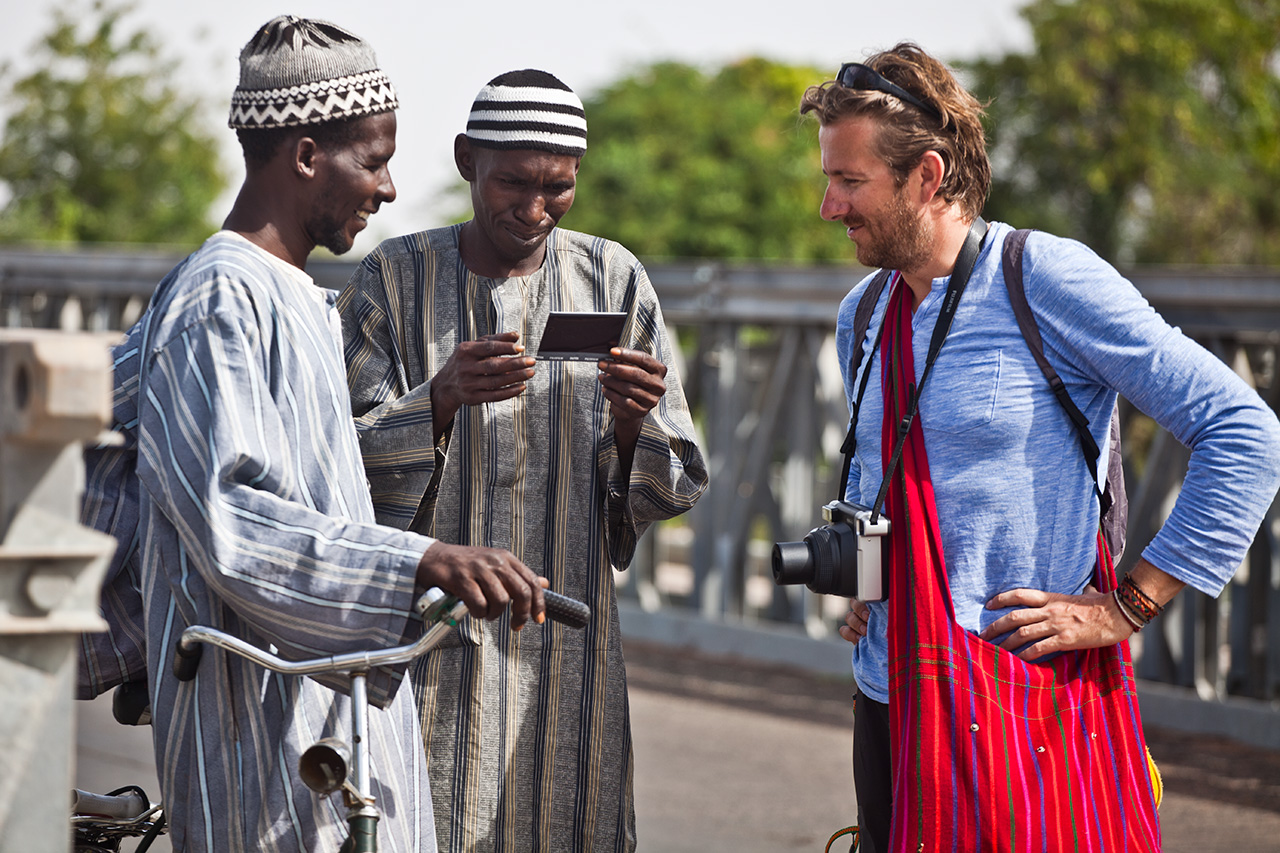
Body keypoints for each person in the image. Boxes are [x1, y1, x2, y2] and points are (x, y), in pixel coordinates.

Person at [800, 43, 1280, 852]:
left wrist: (1127, 605)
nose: (828, 205)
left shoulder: (1044, 279)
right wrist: (870, 577)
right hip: (890, 694)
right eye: (829, 179)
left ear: (926, 175)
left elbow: (1245, 431)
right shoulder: (866, 313)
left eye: (849, 181)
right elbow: (901, 482)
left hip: (1022, 696)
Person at [83, 18, 547, 852]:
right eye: (372, 161)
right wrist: (419, 560)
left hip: (323, 715)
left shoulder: (295, 294)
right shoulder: (219, 299)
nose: (391, 188)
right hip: (259, 735)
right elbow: (232, 521)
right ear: (304, 156)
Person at [338, 69, 708, 852]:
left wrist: (635, 421)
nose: (534, 209)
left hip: (567, 647)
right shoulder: (393, 278)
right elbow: (335, 468)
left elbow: (673, 479)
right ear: (467, 158)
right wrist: (437, 400)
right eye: (513, 181)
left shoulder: (614, 275)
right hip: (428, 645)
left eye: (558, 187)